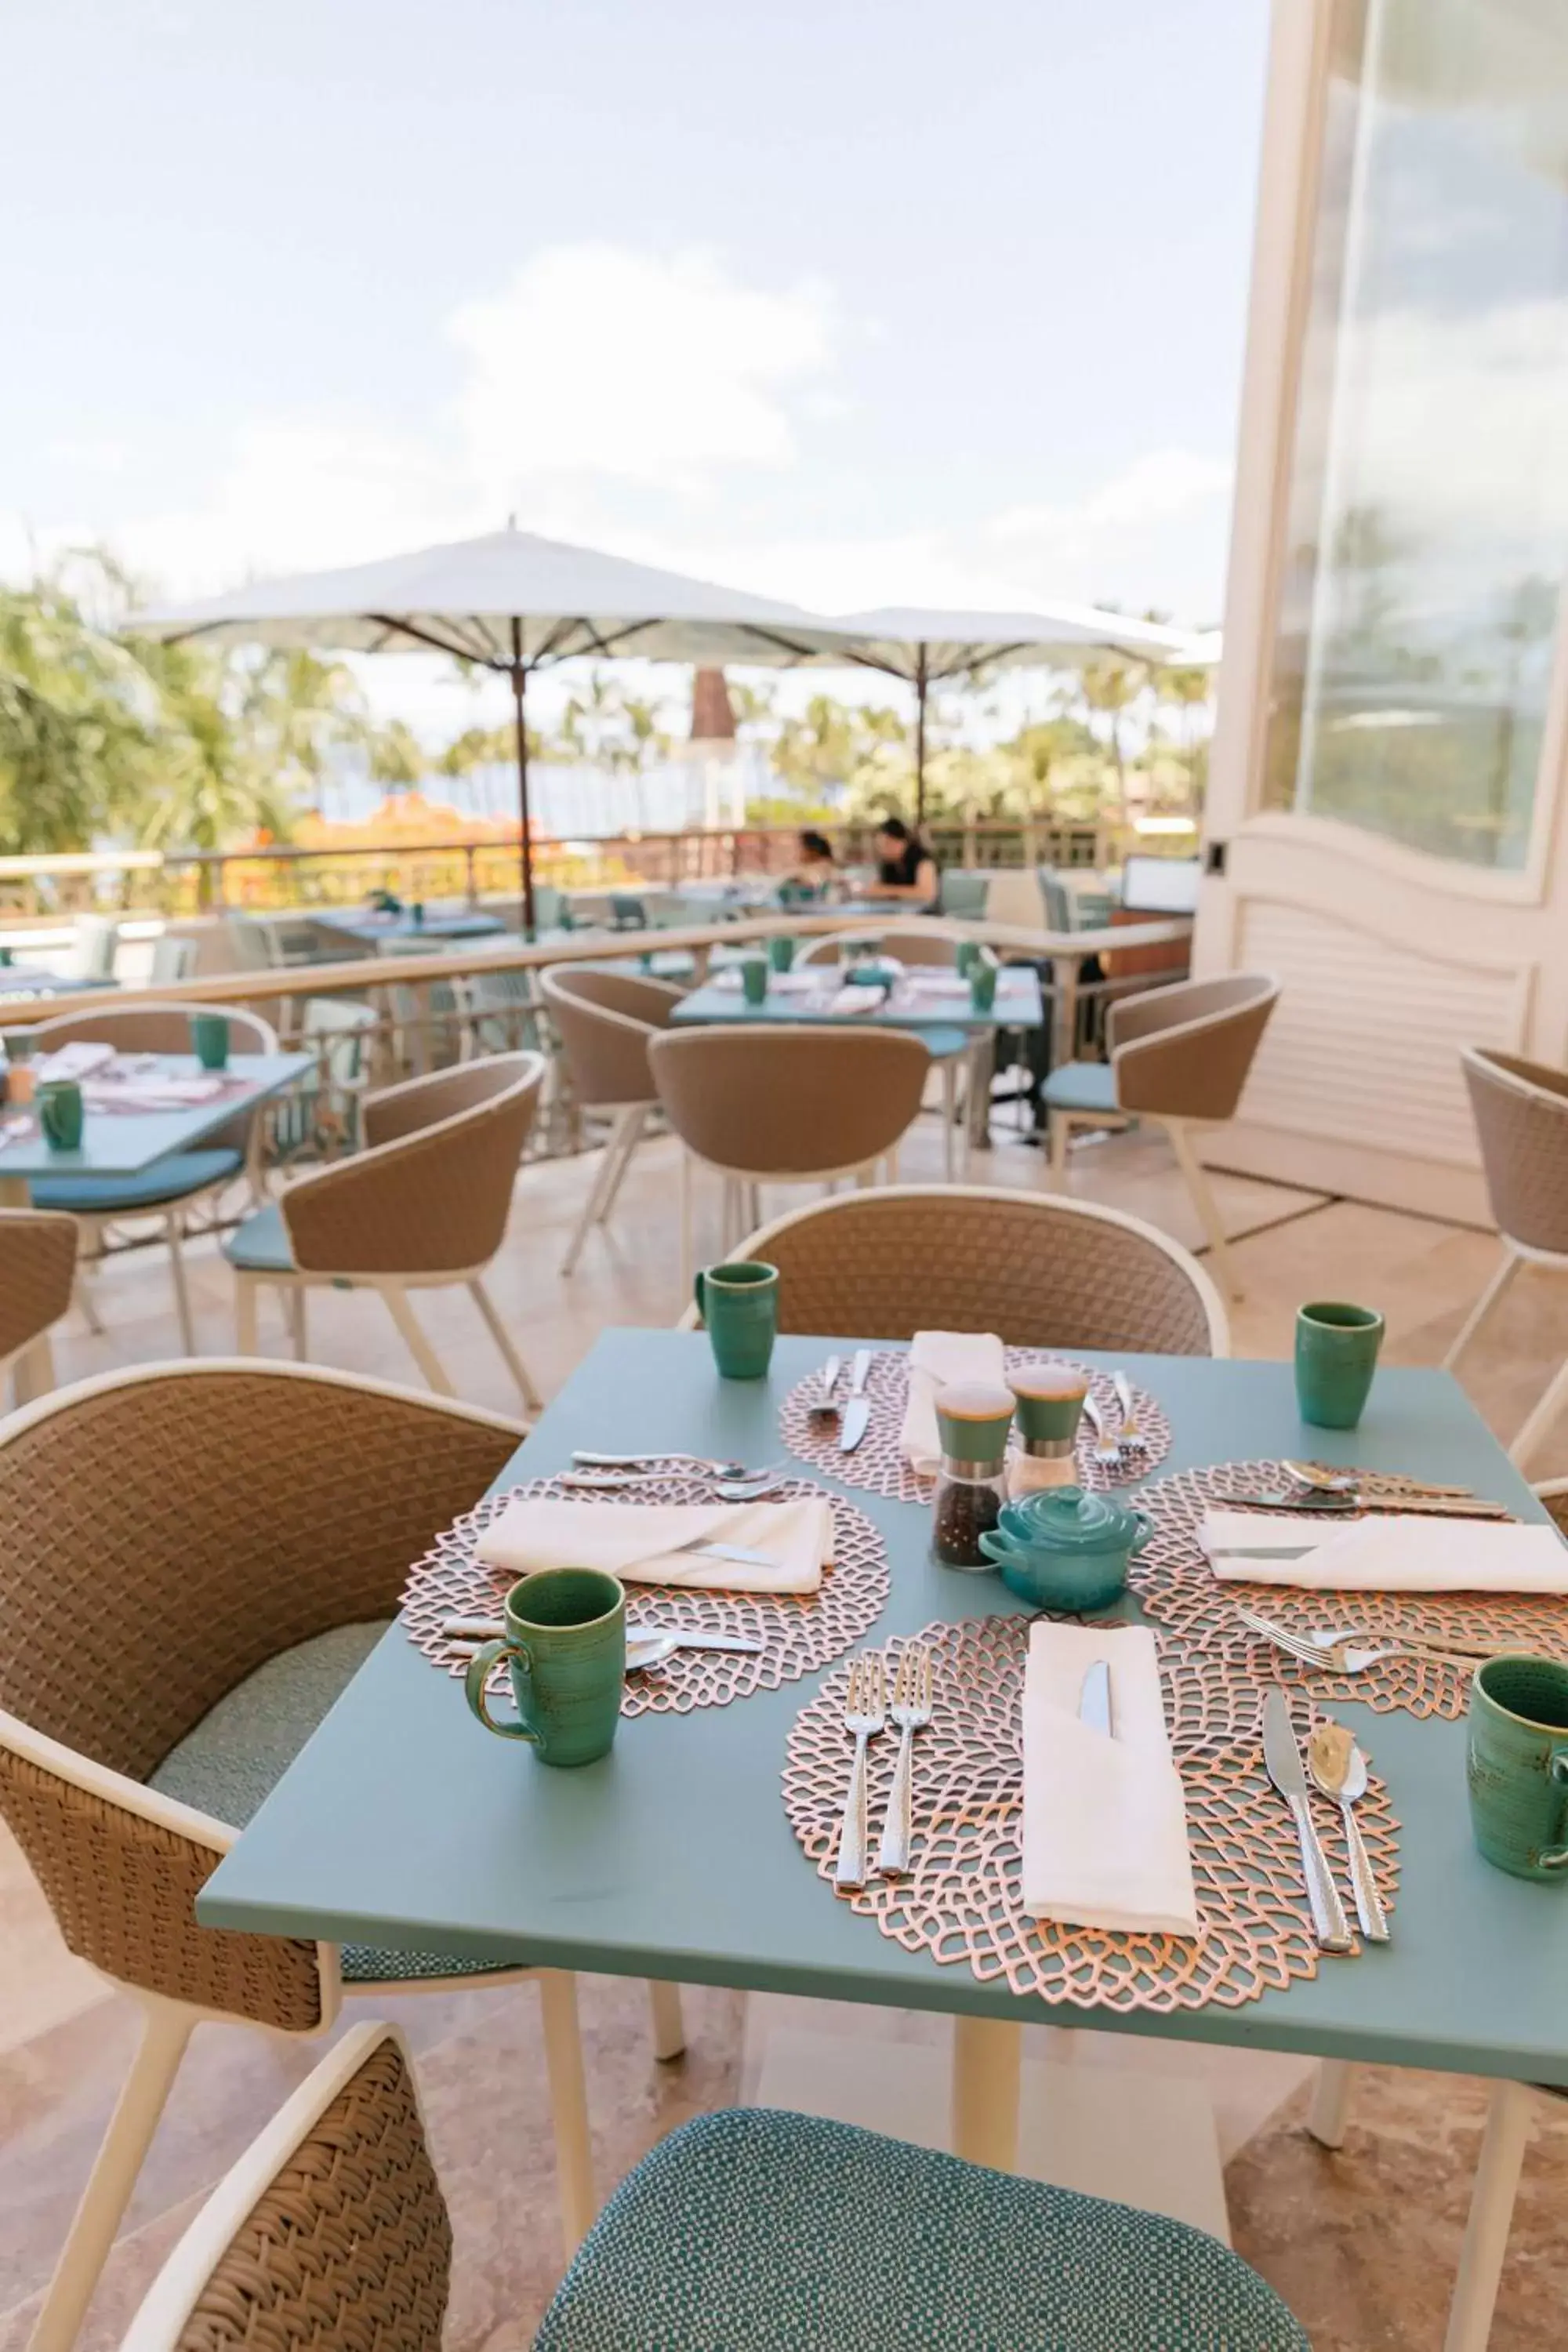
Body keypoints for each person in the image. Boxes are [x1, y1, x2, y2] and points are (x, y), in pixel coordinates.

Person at [866, 815, 939, 905]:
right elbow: (877, 888)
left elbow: (927, 894)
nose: (882, 850)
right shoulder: (889, 865)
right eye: (879, 846)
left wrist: (887, 891)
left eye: (886, 844)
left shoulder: (923, 861)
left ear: (901, 842)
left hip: (924, 914)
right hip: (897, 912)